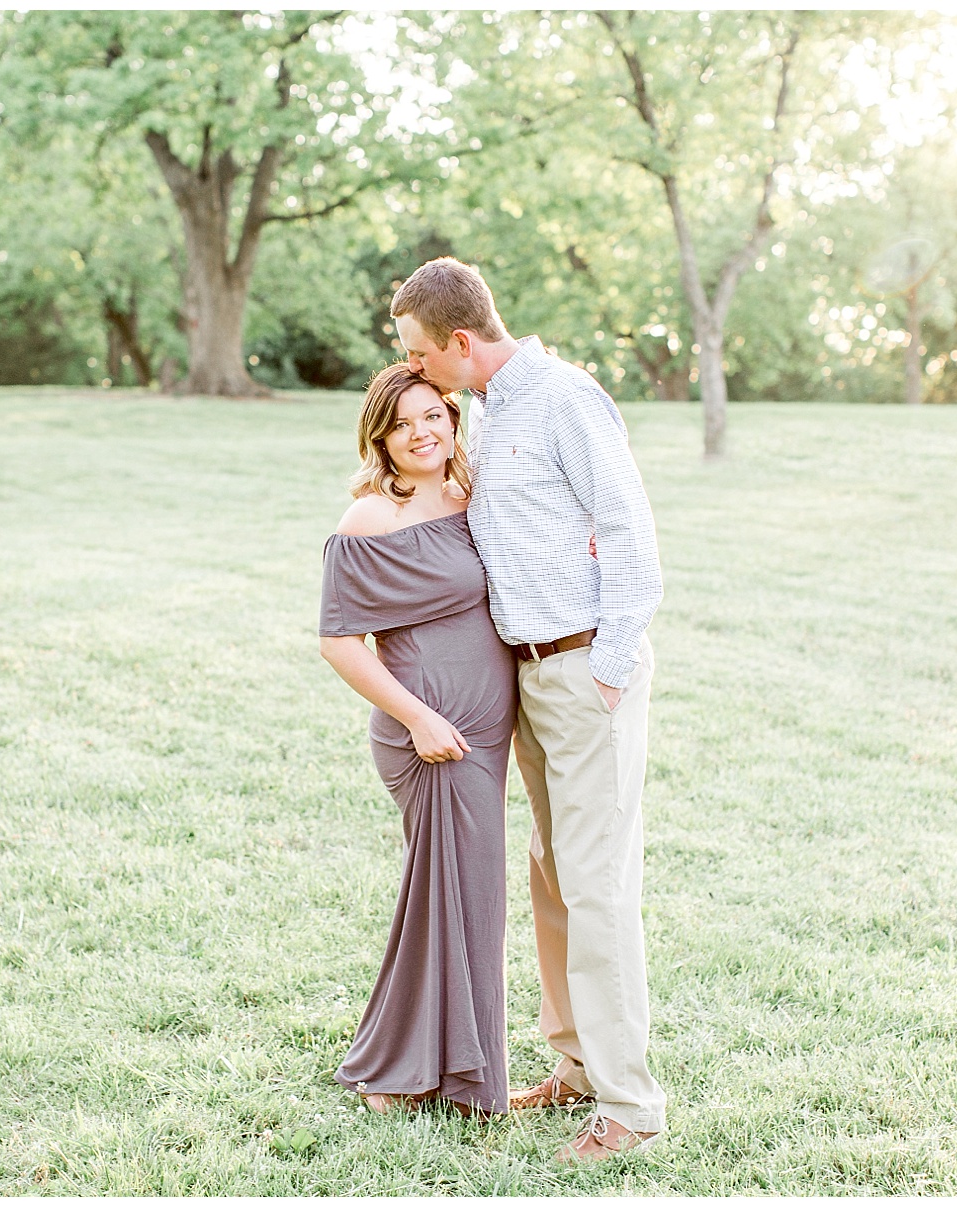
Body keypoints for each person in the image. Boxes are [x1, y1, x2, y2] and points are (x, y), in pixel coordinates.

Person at [390, 257, 667, 1163]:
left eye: (421, 354)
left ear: (460, 343)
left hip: (587, 668)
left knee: (594, 883)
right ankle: (578, 1064)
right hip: (529, 677)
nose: (418, 371)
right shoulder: (489, 409)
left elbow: (628, 526)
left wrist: (612, 666)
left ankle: (629, 1106)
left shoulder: (564, 398)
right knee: (552, 874)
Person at [318, 364, 517, 1119]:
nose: (423, 431)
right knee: (448, 898)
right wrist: (419, 719)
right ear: (382, 438)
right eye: (403, 424)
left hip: (487, 736)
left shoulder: (471, 499)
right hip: (432, 737)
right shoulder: (369, 517)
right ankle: (403, 1074)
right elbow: (340, 643)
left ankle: (445, 1067)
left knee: (469, 901)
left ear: (452, 419)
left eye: (433, 414)